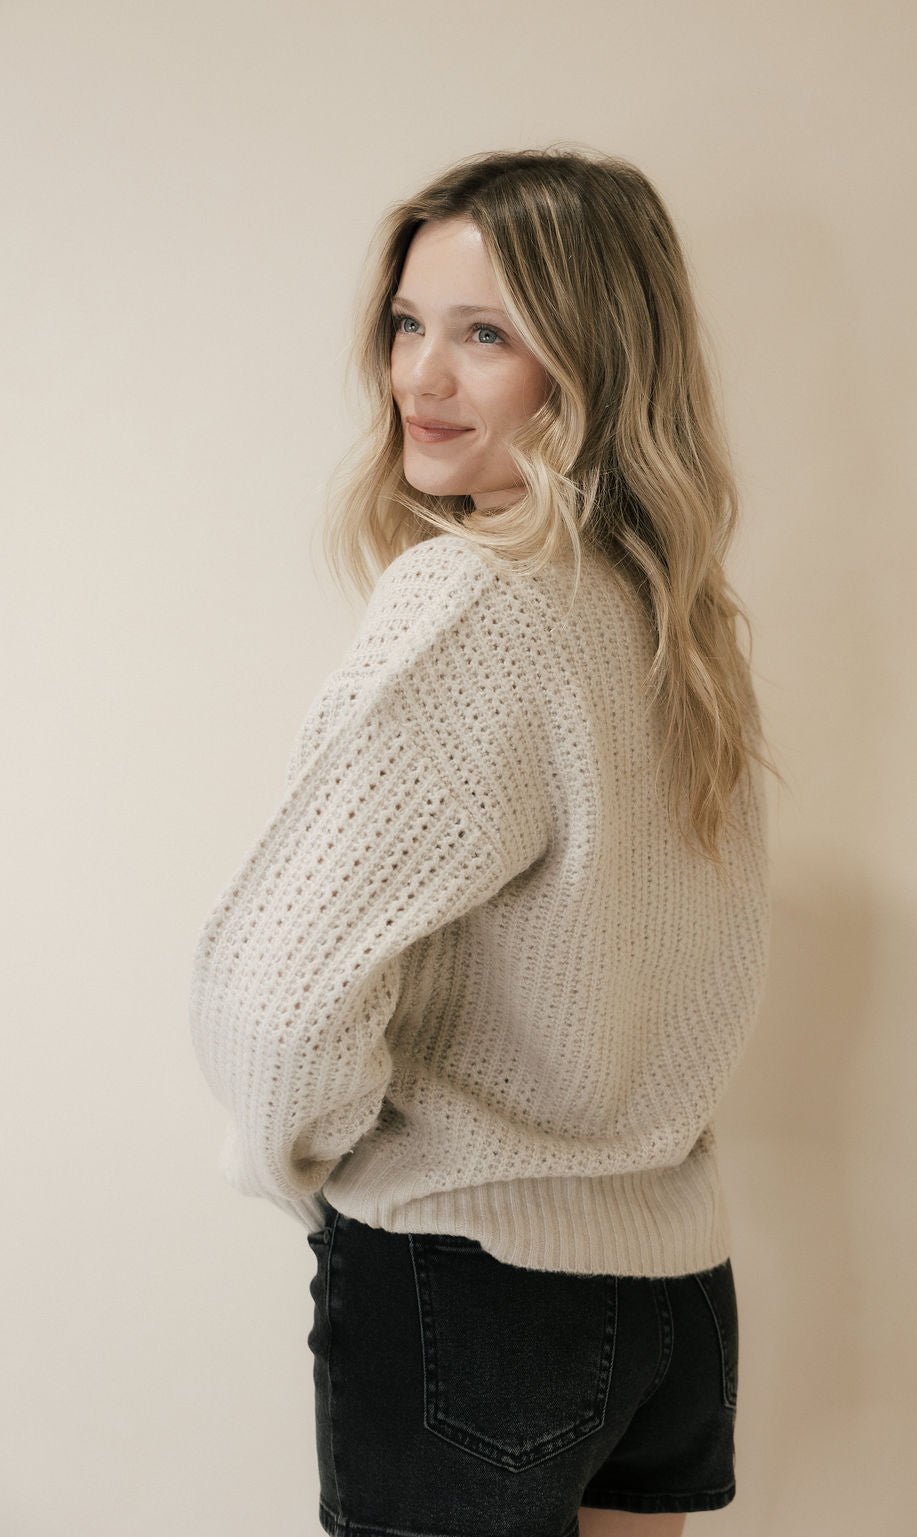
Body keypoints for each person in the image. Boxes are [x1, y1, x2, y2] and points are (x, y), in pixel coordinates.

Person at [189, 145, 780, 1537]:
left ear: (593, 365)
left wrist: (314, 1174)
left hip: (472, 1288)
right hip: (675, 1292)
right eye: (408, 324)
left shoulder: (473, 602)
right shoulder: (673, 618)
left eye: (486, 336)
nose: (420, 378)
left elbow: (275, 998)